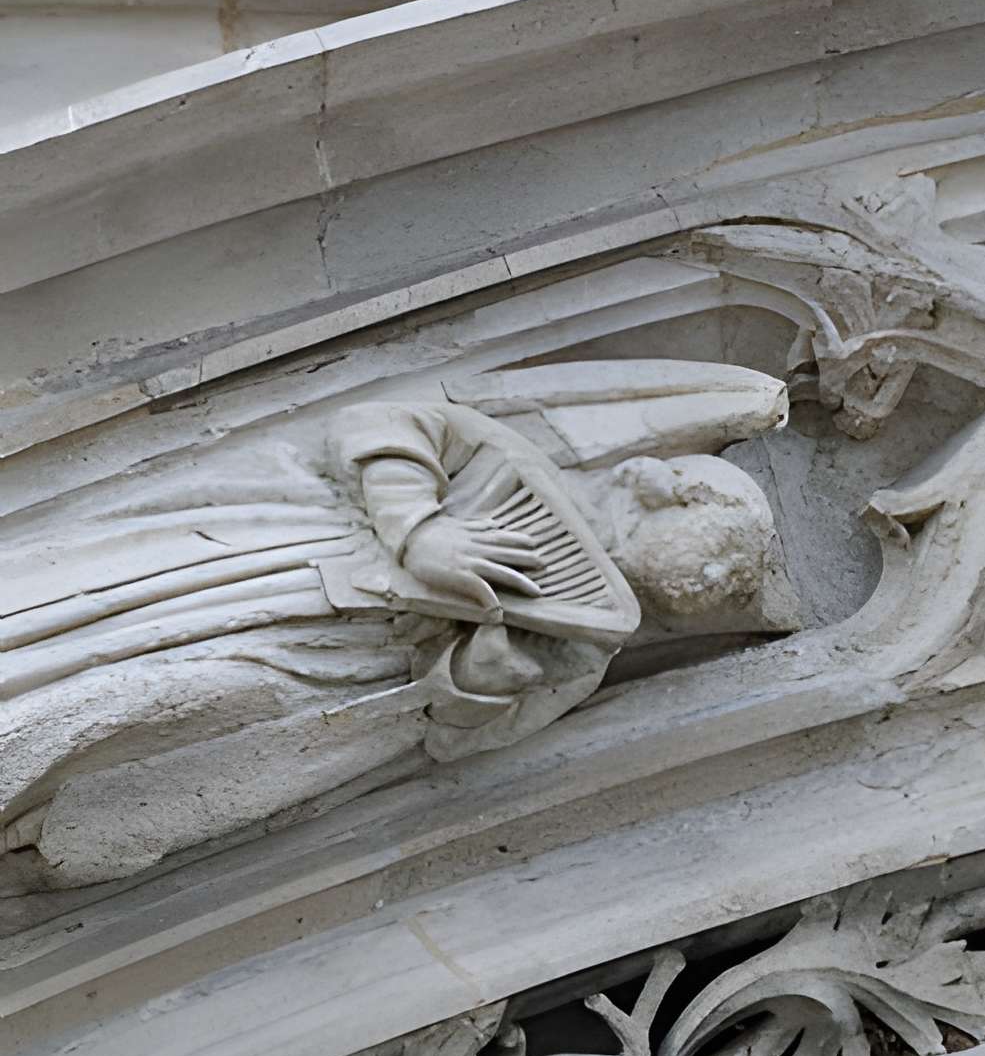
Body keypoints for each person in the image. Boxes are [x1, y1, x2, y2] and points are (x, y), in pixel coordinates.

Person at [0, 363, 796, 889]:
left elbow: (460, 735)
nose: (632, 587)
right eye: (646, 562)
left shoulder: (584, 650)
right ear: (652, 488)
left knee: (157, 710)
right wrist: (420, 527)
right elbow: (377, 425)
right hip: (285, 565)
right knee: (99, 651)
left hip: (332, 675)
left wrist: (476, 681)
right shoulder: (511, 462)